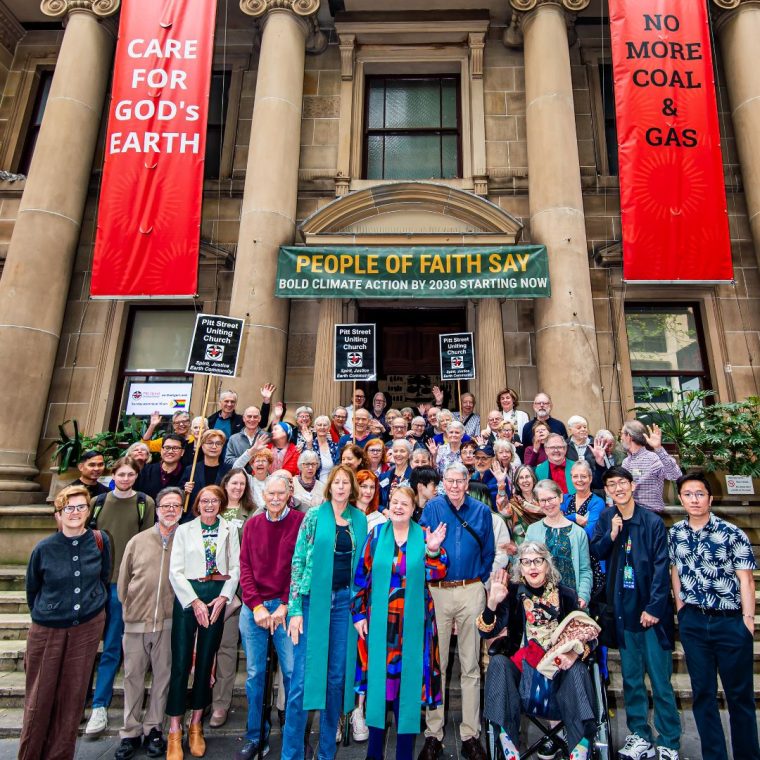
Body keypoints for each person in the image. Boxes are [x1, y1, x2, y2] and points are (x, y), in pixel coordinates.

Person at [352, 487, 449, 760]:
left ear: (413, 507)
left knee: (406, 694)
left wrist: (432, 550)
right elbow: (361, 578)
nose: (398, 507)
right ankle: (374, 754)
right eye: (394, 502)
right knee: (380, 693)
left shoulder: (423, 535)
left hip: (414, 627)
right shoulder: (375, 536)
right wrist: (358, 615)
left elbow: (439, 572)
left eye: (404, 503)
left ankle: (405, 754)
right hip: (381, 627)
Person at [591, 467, 680, 760]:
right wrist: (612, 534)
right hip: (623, 611)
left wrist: (654, 608)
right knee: (631, 679)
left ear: (632, 485)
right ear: (606, 490)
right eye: (611, 485)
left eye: (622, 483)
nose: (618, 488)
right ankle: (640, 734)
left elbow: (660, 566)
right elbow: (597, 552)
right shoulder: (607, 518)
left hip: (651, 614)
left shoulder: (652, 521)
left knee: (660, 680)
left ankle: (669, 740)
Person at [478, 544, 599, 760]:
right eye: (526, 561)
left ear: (547, 565)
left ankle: (579, 748)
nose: (532, 566)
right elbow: (485, 631)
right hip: (523, 681)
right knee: (497, 663)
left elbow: (589, 636)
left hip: (560, 678)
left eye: (537, 561)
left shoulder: (567, 595)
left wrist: (574, 655)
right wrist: (492, 603)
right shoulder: (512, 595)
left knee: (579, 669)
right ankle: (507, 741)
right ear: (520, 568)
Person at [669, 471, 758, 760]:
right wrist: (681, 608)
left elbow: (746, 580)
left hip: (730, 622)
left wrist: (746, 620)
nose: (694, 499)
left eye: (699, 494)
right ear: (681, 499)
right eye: (688, 494)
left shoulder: (732, 533)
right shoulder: (675, 534)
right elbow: (675, 571)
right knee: (703, 695)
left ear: (710, 497)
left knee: (739, 697)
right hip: (694, 622)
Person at [281, 465, 368, 760]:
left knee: (335, 680)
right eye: (337, 482)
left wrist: (359, 611)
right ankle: (291, 753)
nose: (341, 487)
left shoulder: (359, 520)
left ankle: (326, 752)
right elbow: (298, 562)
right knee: (302, 682)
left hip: (344, 604)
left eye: (346, 482)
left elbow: (362, 571)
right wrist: (294, 608)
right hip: (312, 602)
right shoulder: (315, 517)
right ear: (329, 486)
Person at [19, 486, 110, 760]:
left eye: (81, 506)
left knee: (72, 698)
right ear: (58, 513)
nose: (75, 512)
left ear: (88, 510)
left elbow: (102, 577)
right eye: (68, 508)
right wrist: (50, 612)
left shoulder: (99, 540)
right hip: (48, 629)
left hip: (85, 627)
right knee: (39, 698)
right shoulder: (44, 548)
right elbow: (32, 588)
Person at [418, 462, 494, 760]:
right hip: (437, 591)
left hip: (471, 588)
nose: (454, 486)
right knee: (436, 665)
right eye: (448, 481)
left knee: (471, 665)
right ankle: (433, 734)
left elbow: (488, 552)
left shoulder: (481, 511)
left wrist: (477, 582)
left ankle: (470, 734)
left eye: (459, 480)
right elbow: (425, 548)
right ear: (442, 483)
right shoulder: (433, 509)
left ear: (467, 481)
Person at [166, 484, 241, 759]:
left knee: (207, 660)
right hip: (189, 595)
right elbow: (175, 570)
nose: (209, 505)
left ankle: (196, 723)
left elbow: (235, 567)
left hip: (216, 594)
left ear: (221, 504)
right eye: (204, 501)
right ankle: (174, 729)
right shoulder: (185, 530)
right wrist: (193, 601)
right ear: (198, 504)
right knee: (181, 661)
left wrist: (223, 598)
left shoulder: (230, 529)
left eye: (214, 501)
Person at [235, 474, 306, 759]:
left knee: (292, 673)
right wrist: (257, 607)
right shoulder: (253, 524)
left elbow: (299, 568)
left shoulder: (299, 523)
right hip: (255, 607)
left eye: (281, 494)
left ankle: (294, 738)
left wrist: (285, 606)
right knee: (255, 675)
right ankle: (256, 736)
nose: (275, 499)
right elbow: (245, 568)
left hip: (286, 608)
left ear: (290, 494)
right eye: (270, 494)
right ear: (263, 496)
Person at [86, 456, 156, 737]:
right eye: (121, 474)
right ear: (113, 475)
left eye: (130, 474)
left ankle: (101, 706)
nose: (125, 479)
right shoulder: (98, 503)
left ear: (136, 476)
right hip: (95, 584)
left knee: (113, 646)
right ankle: (86, 703)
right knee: (88, 648)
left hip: (124, 586)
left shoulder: (145, 504)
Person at [114, 487, 182, 760]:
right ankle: (130, 731)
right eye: (166, 505)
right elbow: (123, 582)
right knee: (132, 677)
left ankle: (154, 728)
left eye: (176, 506)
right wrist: (130, 608)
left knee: (163, 677)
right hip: (136, 621)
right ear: (157, 509)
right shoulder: (138, 541)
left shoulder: (185, 539)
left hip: (168, 622)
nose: (170, 510)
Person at [210, 469, 256, 728]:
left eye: (242, 483)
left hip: (237, 591)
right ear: (225, 484)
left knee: (227, 648)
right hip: (209, 587)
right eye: (233, 482)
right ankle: (200, 699)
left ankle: (221, 704)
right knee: (205, 647)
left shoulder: (252, 512)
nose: (238, 487)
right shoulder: (212, 507)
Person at [525, 479, 592, 607]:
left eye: (551, 498)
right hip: (541, 601)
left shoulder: (578, 532)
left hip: (572, 599)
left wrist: (583, 595)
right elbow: (525, 565)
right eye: (543, 500)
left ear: (561, 497)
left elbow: (585, 570)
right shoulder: (532, 530)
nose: (548, 504)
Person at [621, 421, 682, 514]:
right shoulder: (626, 462)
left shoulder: (653, 458)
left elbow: (676, 475)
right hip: (628, 514)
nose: (620, 438)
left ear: (629, 436)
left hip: (650, 516)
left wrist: (658, 448)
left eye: (621, 434)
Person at [182, 429, 228, 514]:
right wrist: (185, 490)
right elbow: (179, 493)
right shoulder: (191, 470)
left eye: (218, 443)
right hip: (194, 516)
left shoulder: (228, 471)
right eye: (210, 443)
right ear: (202, 445)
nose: (214, 447)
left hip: (221, 516)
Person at [136, 434, 186, 501]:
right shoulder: (145, 470)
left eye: (175, 448)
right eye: (167, 448)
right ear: (161, 450)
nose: (170, 451)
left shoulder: (188, 474)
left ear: (182, 452)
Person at [506, 464, 544, 546]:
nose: (525, 480)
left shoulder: (543, 500)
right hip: (522, 548)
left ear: (533, 479)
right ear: (517, 482)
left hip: (544, 545)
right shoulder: (513, 504)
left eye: (527, 477)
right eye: (521, 478)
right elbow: (503, 511)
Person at [225, 403, 273, 467]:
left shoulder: (267, 436)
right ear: (244, 418)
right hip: (240, 475)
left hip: (261, 475)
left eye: (255, 417)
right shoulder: (234, 439)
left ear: (259, 419)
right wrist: (248, 459)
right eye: (249, 416)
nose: (252, 419)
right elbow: (228, 461)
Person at [379, 438, 413, 506]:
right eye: (395, 451)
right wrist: (383, 510)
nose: (398, 454)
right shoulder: (383, 476)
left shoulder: (414, 476)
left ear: (409, 454)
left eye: (402, 451)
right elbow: (376, 501)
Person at [311, 414, 340, 482]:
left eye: (325, 425)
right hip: (314, 486)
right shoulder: (309, 445)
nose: (322, 427)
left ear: (329, 428)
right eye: (319, 425)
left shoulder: (335, 446)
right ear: (315, 427)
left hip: (331, 485)